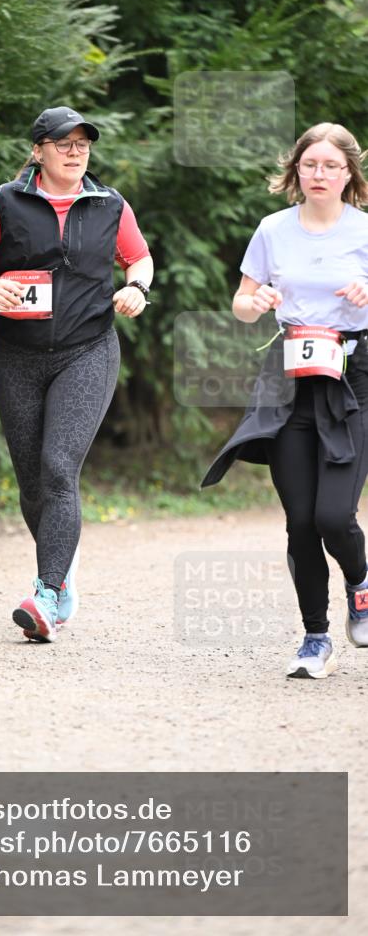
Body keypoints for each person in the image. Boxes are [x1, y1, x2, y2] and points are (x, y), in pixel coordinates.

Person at [0, 106, 153, 642]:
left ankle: (47, 591)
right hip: (16, 355)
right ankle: (61, 572)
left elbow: (140, 258)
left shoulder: (110, 204)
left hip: (87, 349)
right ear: (38, 149)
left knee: (59, 465)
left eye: (83, 141)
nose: (75, 149)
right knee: (32, 480)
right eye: (63, 141)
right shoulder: (5, 202)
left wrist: (137, 287)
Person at [202, 122, 368, 678]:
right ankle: (315, 639)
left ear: (349, 174)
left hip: (354, 377)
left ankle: (361, 582)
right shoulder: (273, 230)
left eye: (331, 166)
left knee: (333, 516)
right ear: (296, 170)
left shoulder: (364, 231)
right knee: (300, 520)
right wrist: (258, 300)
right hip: (289, 374)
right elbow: (242, 304)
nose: (319, 175)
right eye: (310, 165)